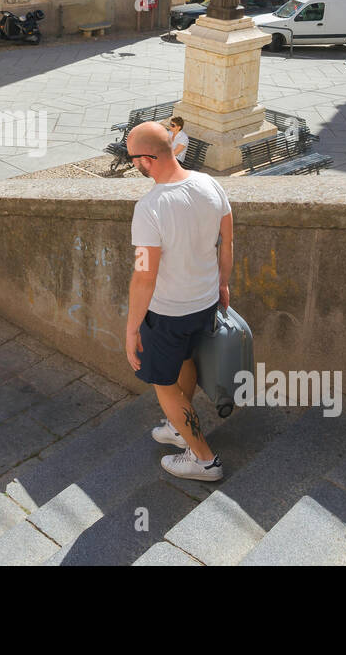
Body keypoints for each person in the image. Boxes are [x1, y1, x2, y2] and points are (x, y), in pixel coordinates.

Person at [124, 121, 233, 481]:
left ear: (146, 159)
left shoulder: (150, 207)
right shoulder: (209, 184)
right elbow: (227, 241)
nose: (133, 165)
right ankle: (178, 427)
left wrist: (132, 328)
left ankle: (204, 460)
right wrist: (223, 286)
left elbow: (144, 275)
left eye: (132, 159)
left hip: (168, 311)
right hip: (204, 302)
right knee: (185, 360)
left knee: (164, 384)